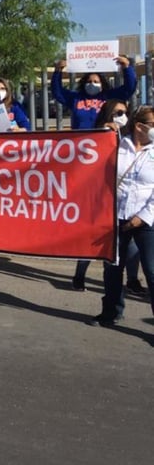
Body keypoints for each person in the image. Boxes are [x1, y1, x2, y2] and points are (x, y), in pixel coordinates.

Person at [71, 99, 145, 293]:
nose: (121, 116)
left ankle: (132, 279)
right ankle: (79, 275)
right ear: (107, 114)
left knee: (131, 246)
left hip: (124, 200)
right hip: (99, 197)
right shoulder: (96, 134)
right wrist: (103, 134)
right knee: (93, 238)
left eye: (125, 112)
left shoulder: (130, 138)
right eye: (117, 113)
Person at [90, 105, 154, 327]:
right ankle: (111, 312)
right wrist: (101, 134)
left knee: (152, 270)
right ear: (139, 126)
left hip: (146, 220)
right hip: (115, 216)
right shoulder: (116, 144)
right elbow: (92, 163)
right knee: (112, 269)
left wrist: (143, 216)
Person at [51, 56, 136, 130]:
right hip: (80, 140)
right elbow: (58, 92)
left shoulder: (109, 97)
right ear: (84, 84)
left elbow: (129, 88)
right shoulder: (76, 98)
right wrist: (58, 71)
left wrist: (127, 68)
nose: (92, 84)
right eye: (89, 81)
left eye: (96, 82)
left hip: (103, 139)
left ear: (102, 85)